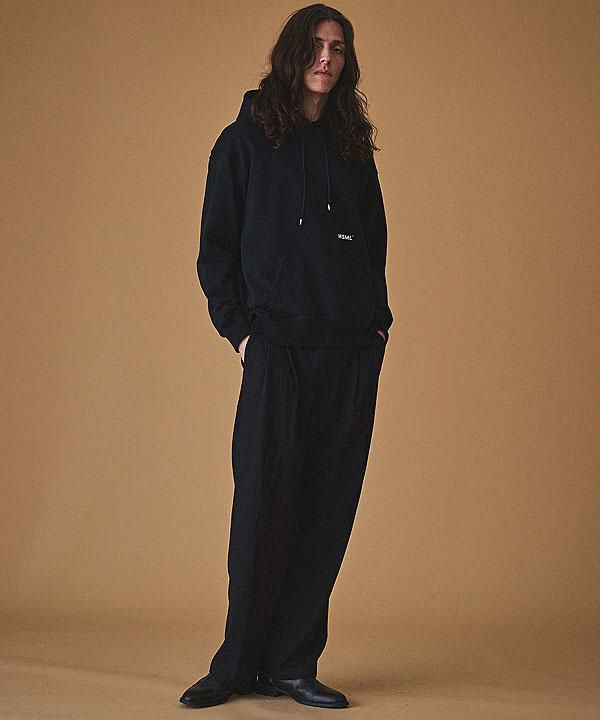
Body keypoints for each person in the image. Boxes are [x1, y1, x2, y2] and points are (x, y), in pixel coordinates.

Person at [180, 2, 393, 710]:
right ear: (293, 52)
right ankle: (237, 666)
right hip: (277, 352)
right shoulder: (242, 143)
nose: (327, 58)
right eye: (316, 45)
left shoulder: (351, 147)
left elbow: (374, 243)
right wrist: (242, 334)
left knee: (327, 513)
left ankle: (293, 664)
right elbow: (216, 252)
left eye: (339, 48)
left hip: (348, 354)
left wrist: (377, 327)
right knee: (264, 512)